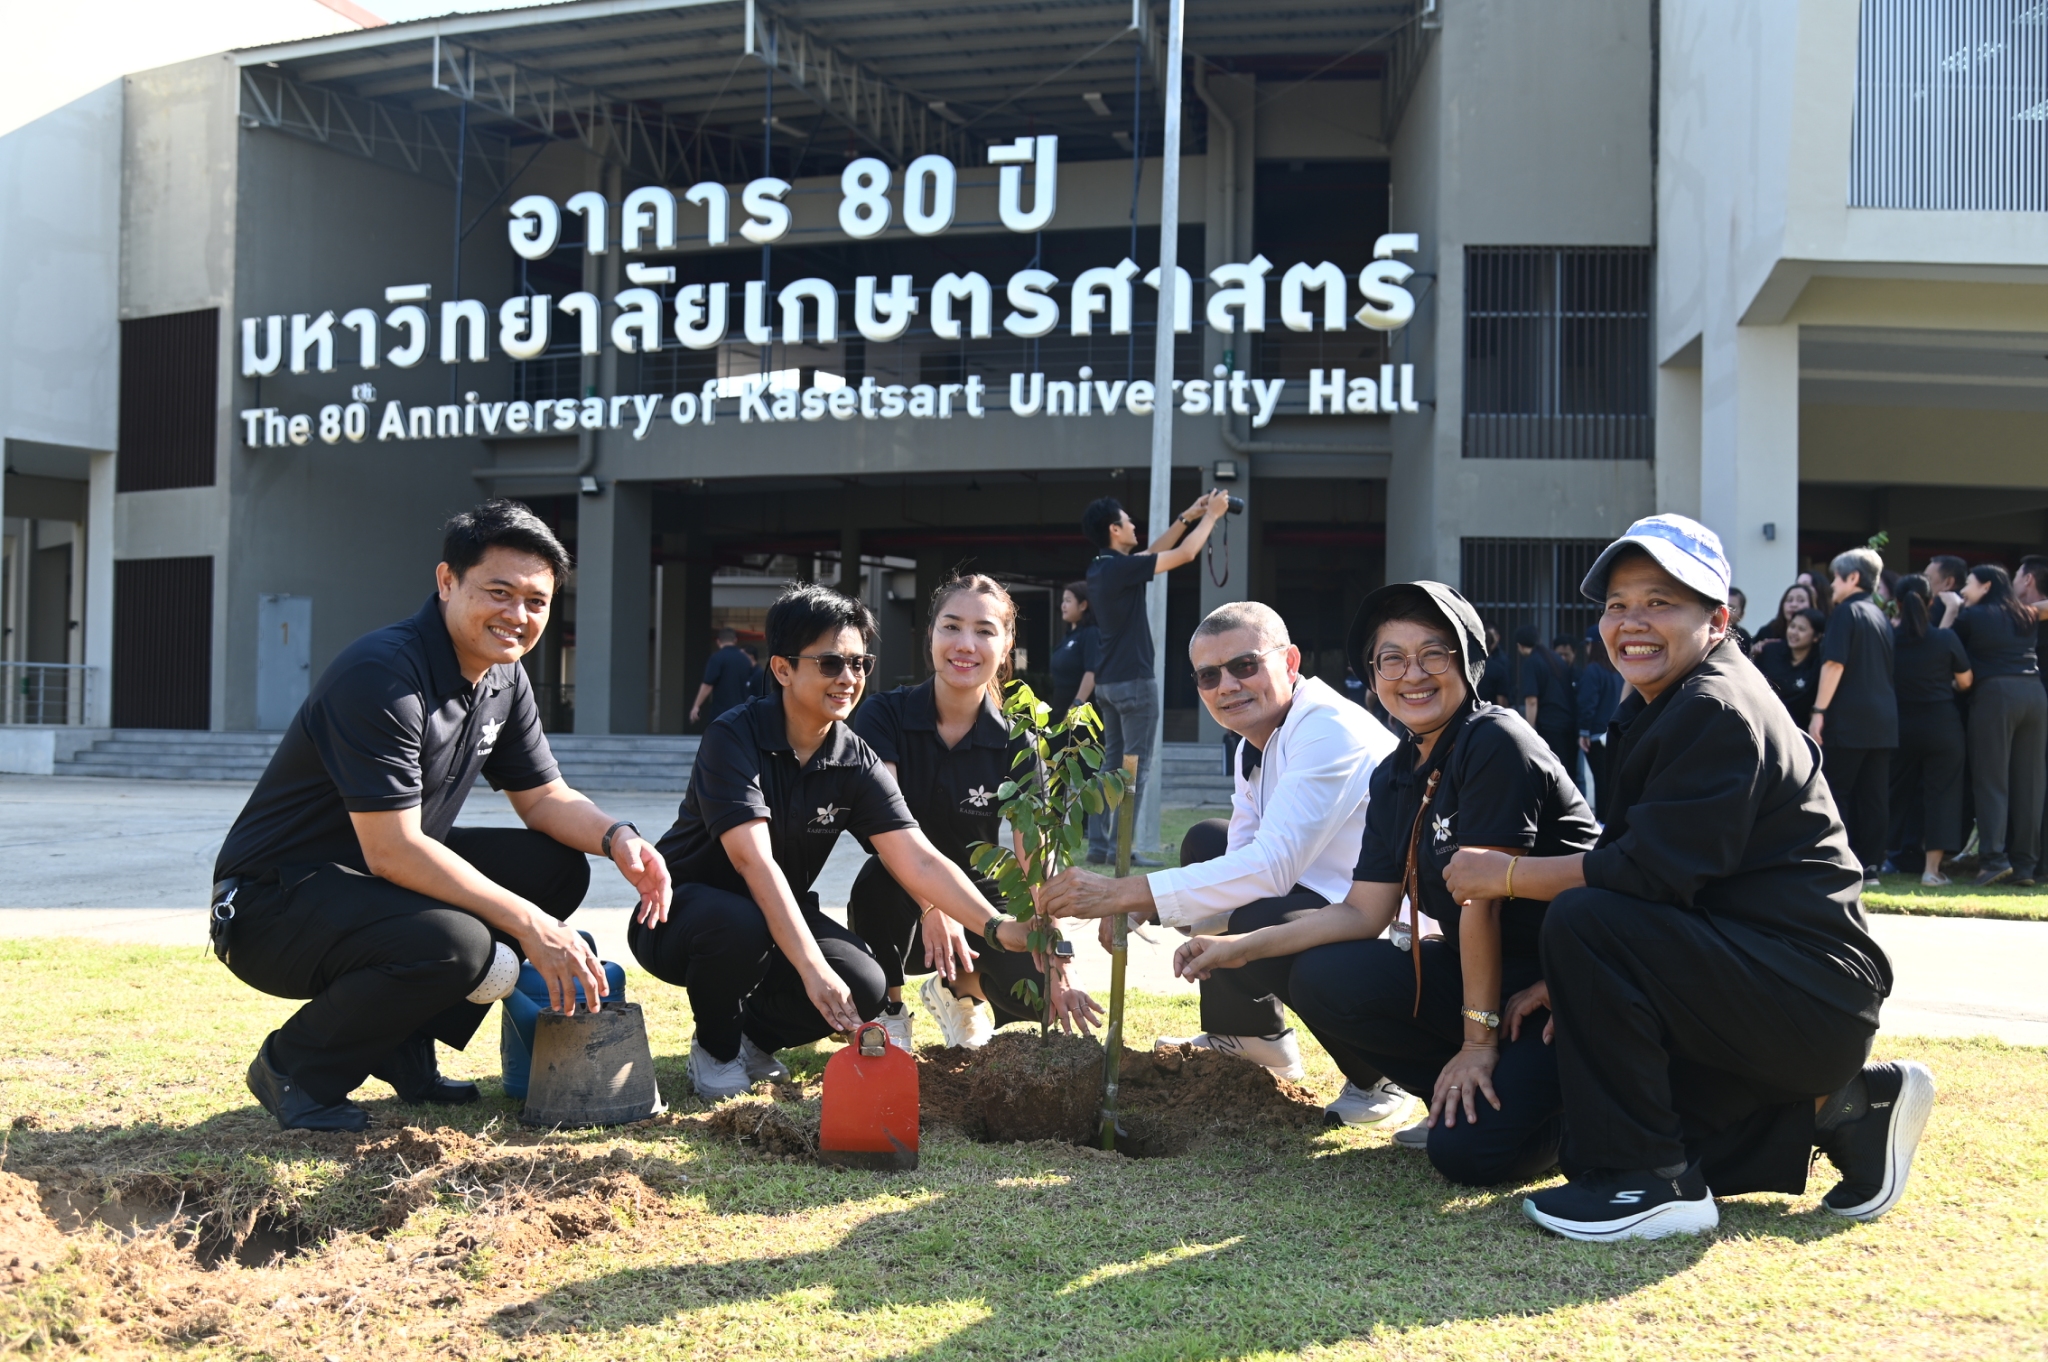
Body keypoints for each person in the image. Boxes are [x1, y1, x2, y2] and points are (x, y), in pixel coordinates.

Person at [1439, 513, 1925, 1242]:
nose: (1632, 622)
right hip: (1765, 987)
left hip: (1806, 994)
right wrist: (1571, 979)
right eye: (1616, 605)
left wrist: (1504, 873)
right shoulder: (1668, 703)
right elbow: (1653, 870)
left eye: (1660, 602)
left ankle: (1651, 1184)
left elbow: (1642, 874)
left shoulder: (1716, 708)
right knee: (1581, 1142)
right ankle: (1847, 1107)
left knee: (1581, 918)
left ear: (1718, 618)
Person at [211, 501, 673, 1131]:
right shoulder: (384, 676)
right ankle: (297, 1067)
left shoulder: (503, 678)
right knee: (459, 944)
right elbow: (394, 851)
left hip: (366, 886)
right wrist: (532, 928)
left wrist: (620, 838)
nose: (518, 616)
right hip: (274, 906)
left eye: (536, 601)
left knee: (555, 870)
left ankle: (399, 1044)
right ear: (447, 581)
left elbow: (542, 799)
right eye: (499, 592)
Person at [1169, 582, 1599, 1185]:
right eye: (1390, 659)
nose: (1412, 674)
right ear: (1372, 674)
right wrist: (1235, 950)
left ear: (1467, 660)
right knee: (1328, 975)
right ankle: (1448, 1095)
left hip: (1558, 984)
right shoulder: (1400, 770)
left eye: (1433, 654)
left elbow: (1483, 904)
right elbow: (1361, 914)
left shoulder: (1494, 740)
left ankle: (1562, 1111)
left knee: (1468, 1158)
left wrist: (1479, 1045)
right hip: (1481, 977)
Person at [634, 584, 1072, 1100]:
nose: (848, 679)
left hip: (775, 916)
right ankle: (717, 1048)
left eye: (858, 663)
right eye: (830, 664)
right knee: (744, 925)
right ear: (782, 669)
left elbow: (917, 857)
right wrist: (813, 969)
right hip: (679, 917)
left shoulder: (853, 757)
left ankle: (754, 1039)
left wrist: (1000, 930)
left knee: (863, 984)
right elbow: (755, 865)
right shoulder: (734, 737)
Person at [1039, 601, 1402, 1124]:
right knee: (1204, 843)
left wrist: (1127, 893)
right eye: (1209, 676)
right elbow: (1238, 858)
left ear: (1291, 662)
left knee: (1256, 918)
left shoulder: (1327, 729)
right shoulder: (1252, 742)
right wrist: (1148, 908)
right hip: (1326, 892)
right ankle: (1254, 1037)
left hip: (1390, 921)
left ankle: (1380, 1078)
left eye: (1245, 665)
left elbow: (1270, 868)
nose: (1227, 685)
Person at [848, 575, 1100, 1050]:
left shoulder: (1018, 739)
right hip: (899, 883)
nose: (966, 644)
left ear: (1006, 646)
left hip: (978, 890)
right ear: (931, 636)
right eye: (952, 626)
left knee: (1037, 994)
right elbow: (886, 831)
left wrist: (1056, 955)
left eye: (984, 631)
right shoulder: (884, 715)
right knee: (875, 884)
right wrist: (932, 904)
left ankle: (959, 990)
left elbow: (1036, 859)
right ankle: (890, 1011)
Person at [1080, 490, 1231, 864]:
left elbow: (1152, 555)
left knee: (1110, 768)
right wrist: (1211, 517)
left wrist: (1187, 517)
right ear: (1115, 529)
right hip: (1134, 682)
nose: (1135, 526)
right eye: (1128, 521)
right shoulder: (1119, 568)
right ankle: (1122, 851)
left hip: (1108, 684)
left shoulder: (1102, 567)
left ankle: (1100, 847)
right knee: (1135, 771)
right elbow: (1183, 555)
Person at [1952, 564, 2046, 887]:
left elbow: (1947, 648)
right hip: (2034, 694)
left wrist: (1951, 610)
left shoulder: (1971, 617)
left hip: (1995, 695)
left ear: (1986, 586)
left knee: (1992, 780)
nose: (1964, 590)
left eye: (1969, 584)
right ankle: (2025, 867)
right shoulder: (2027, 614)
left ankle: (1992, 860)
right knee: (2030, 782)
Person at [1812, 548, 1898, 886]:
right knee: (1874, 796)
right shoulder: (1879, 615)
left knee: (1837, 792)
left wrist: (1818, 711)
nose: (1832, 584)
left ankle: (1838, 862)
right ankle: (1871, 866)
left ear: (1853, 578)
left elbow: (1834, 663)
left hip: (1849, 719)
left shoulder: (1846, 613)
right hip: (1883, 720)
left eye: (1836, 577)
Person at [1888, 575, 1972, 886]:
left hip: (1899, 725)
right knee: (1942, 796)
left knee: (1893, 793)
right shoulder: (1944, 639)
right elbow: (1965, 681)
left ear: (1896, 603)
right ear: (1930, 602)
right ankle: (1931, 871)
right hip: (1942, 725)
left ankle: (1880, 860)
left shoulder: (1888, 638)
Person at [1513, 625, 1578, 772]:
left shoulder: (1531, 662)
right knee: (1566, 773)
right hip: (1568, 723)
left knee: (1550, 772)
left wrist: (1530, 729)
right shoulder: (1554, 658)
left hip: (1549, 725)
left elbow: (1531, 700)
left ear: (1520, 645)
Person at [1753, 607, 1827, 730]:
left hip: (1799, 730)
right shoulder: (1769, 652)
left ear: (1816, 637)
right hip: (1764, 724)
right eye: (1792, 626)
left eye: (1802, 629)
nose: (1794, 632)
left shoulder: (1820, 665)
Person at [1575, 631, 1623, 815]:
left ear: (1594, 645)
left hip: (1595, 735)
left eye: (1587, 645)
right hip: (1614, 733)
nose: (1586, 650)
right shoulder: (1619, 670)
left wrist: (1584, 731)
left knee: (1600, 783)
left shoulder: (1593, 670)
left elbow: (1587, 703)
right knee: (1611, 782)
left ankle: (1603, 824)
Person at [1048, 579, 1100, 719]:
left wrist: (1077, 704)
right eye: (1063, 601)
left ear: (1083, 605)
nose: (1063, 605)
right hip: (1060, 707)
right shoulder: (1068, 636)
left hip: (1080, 714)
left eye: (1068, 601)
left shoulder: (1091, 633)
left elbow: (1092, 671)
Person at [1751, 582, 1817, 651]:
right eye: (1789, 600)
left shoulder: (1818, 631)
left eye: (1801, 600)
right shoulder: (1767, 632)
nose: (1793, 605)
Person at [1925, 554, 1968, 628]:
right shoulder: (1973, 607)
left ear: (1948, 583)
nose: (1924, 583)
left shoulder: (1935, 605)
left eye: (1928, 579)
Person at [1726, 586, 1753, 652]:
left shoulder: (1743, 638)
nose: (1725, 610)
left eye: (1731, 608)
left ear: (1741, 614)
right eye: (1721, 605)